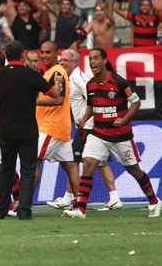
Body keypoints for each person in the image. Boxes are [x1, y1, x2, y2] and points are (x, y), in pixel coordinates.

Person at [64, 48, 162, 219]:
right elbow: (92, 106)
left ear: (104, 60)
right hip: (99, 133)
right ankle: (80, 209)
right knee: (88, 163)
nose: (92, 62)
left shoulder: (119, 82)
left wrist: (124, 120)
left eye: (96, 59)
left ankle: (154, 201)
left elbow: (136, 103)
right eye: (91, 59)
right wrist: (83, 118)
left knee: (134, 170)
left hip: (120, 135)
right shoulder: (91, 84)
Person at [0, 41, 63, 220]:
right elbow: (55, 94)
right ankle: (24, 211)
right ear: (22, 55)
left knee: (6, 171)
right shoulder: (30, 74)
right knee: (27, 171)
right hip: (27, 129)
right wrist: (58, 84)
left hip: (6, 129)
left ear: (6, 55)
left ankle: (0, 211)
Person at [51, 49, 123, 211]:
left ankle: (70, 198)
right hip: (87, 126)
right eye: (61, 60)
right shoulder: (71, 78)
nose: (62, 63)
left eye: (65, 60)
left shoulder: (79, 79)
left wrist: (86, 118)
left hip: (88, 127)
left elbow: (94, 97)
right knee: (100, 162)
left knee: (73, 161)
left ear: (75, 62)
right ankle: (114, 197)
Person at [34, 41, 79, 201]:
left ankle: (23, 202)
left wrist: (35, 102)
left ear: (55, 54)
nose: (44, 55)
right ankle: (80, 202)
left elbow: (58, 99)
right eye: (43, 52)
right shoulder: (51, 72)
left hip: (50, 127)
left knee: (33, 161)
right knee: (70, 164)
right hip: (59, 127)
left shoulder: (56, 72)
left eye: (48, 52)